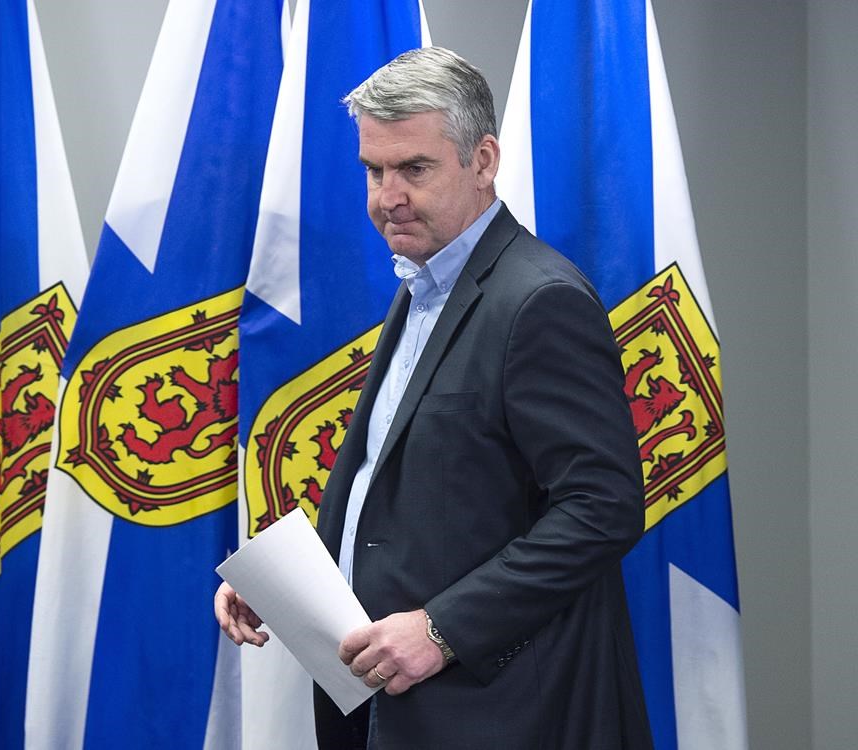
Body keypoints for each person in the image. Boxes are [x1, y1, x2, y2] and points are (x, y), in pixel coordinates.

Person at [216, 46, 652, 749]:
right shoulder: (423, 283)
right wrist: (286, 586)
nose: (388, 196)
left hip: (502, 712)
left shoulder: (540, 300)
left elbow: (603, 508)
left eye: (414, 169)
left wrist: (444, 629)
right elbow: (403, 489)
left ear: (482, 161)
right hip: (392, 703)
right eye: (374, 170)